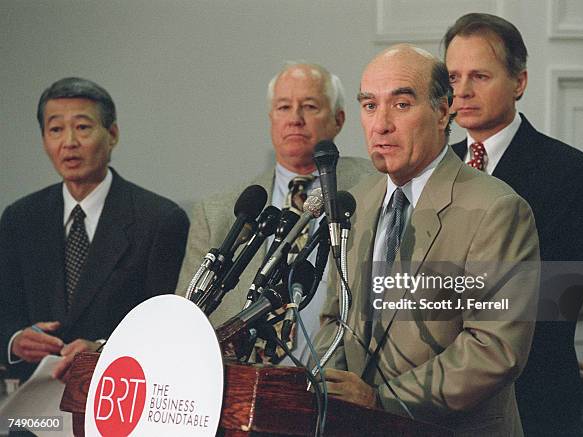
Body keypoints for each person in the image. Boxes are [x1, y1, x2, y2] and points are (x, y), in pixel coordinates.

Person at [314, 44, 540, 436]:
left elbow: (494, 348)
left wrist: (379, 401)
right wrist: (326, 389)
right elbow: (335, 317)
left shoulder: (497, 209)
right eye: (369, 106)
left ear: (442, 111)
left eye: (401, 105)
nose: (381, 124)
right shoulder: (357, 201)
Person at [443, 13, 583, 435]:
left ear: (519, 82)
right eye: (453, 76)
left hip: (532, 400)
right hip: (438, 399)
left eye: (479, 75)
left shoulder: (571, 171)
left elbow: (557, 295)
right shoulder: (433, 168)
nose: (462, 90)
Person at [176, 62, 374, 363]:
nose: (295, 119)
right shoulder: (220, 210)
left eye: (309, 106)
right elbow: (185, 316)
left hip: (338, 375)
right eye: (283, 107)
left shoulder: (373, 188)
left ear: (339, 119)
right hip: (238, 378)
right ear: (271, 119)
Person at [0, 77, 190, 382]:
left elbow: (165, 326)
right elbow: (5, 310)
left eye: (83, 127)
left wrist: (103, 349)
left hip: (118, 395)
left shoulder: (159, 220)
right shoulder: (20, 218)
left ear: (112, 134)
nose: (69, 142)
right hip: (34, 407)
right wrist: (14, 340)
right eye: (56, 129)